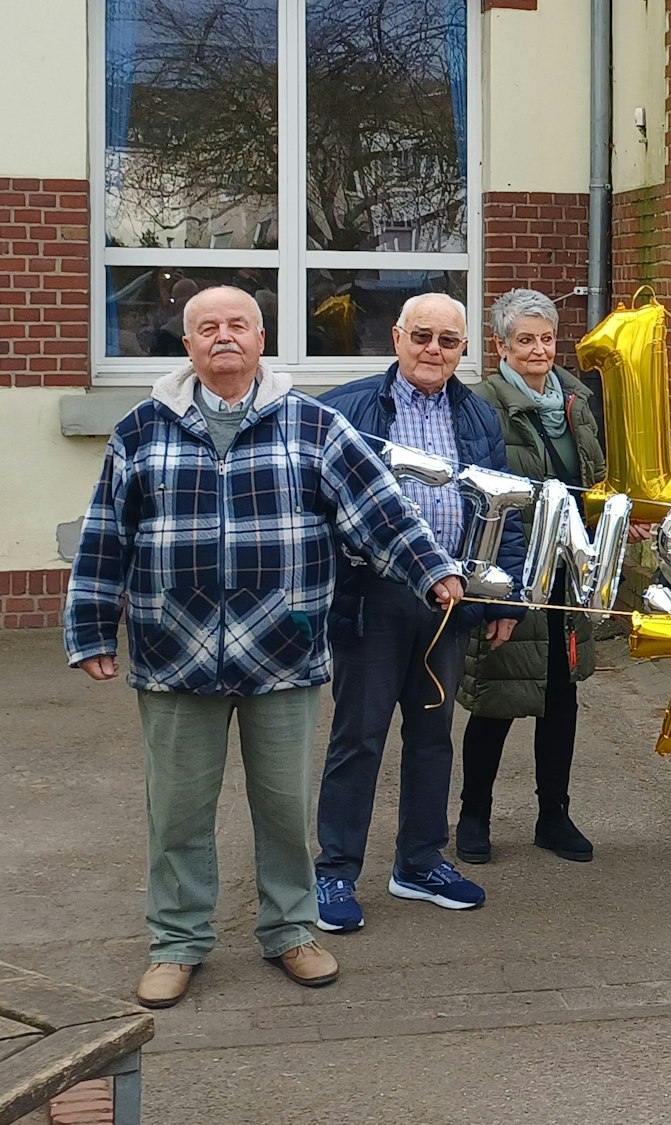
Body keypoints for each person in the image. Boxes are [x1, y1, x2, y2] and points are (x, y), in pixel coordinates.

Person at [64, 286, 464, 1008]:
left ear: (261, 338)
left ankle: (290, 930)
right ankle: (177, 942)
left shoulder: (313, 425)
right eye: (206, 327)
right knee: (178, 810)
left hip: (284, 650)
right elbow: (104, 537)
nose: (223, 336)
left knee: (283, 806)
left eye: (237, 325)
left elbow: (379, 508)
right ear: (186, 346)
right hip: (173, 653)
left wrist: (432, 568)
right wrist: (91, 627)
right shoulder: (141, 429)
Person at [312, 293, 526, 933]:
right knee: (359, 736)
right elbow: (316, 505)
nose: (434, 350)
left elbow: (504, 505)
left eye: (449, 341)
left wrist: (503, 595)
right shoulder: (346, 408)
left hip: (452, 601)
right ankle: (335, 872)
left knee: (433, 737)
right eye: (423, 337)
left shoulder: (480, 416)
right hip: (372, 597)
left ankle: (420, 862)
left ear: (465, 350)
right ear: (398, 338)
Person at [455, 289, 612, 865]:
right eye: (525, 340)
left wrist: (615, 519)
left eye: (546, 338)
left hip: (570, 572)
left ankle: (555, 814)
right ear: (501, 346)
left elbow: (593, 477)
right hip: (512, 571)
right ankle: (474, 816)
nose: (539, 350)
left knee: (561, 695)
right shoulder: (481, 405)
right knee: (497, 697)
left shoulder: (575, 399)